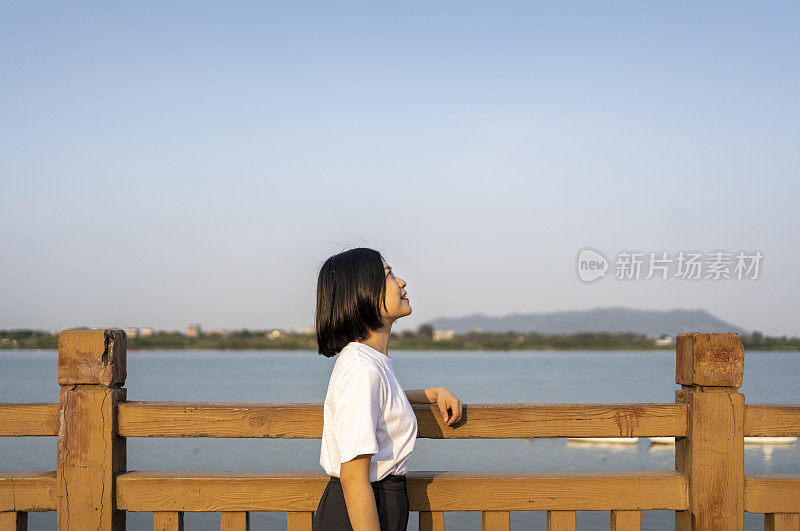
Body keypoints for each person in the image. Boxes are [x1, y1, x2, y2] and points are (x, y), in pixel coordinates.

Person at [312, 247, 463, 531]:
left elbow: (383, 405)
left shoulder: (370, 362)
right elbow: (354, 476)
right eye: (389, 275)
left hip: (374, 502)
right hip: (362, 508)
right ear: (362, 293)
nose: (401, 282)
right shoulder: (362, 369)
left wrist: (433, 393)